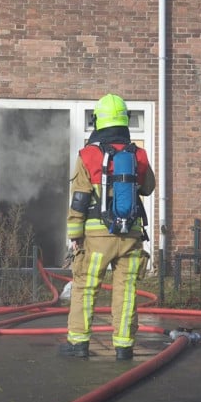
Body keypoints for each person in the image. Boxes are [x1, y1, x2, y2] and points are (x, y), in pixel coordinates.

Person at [59, 94, 156, 360]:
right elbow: (147, 189)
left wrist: (75, 235)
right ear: (124, 119)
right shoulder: (138, 154)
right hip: (132, 236)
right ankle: (124, 347)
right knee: (126, 291)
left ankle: (78, 344)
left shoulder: (88, 155)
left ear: (98, 120)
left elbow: (79, 199)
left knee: (86, 287)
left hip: (97, 238)